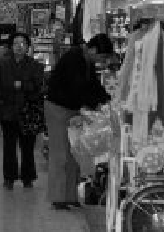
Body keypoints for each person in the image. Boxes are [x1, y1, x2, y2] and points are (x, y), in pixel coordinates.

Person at [45, 46, 110, 210]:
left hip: (72, 109)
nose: (101, 62)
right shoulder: (73, 59)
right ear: (93, 51)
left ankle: (70, 196)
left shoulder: (86, 62)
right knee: (60, 153)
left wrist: (106, 100)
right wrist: (96, 103)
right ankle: (58, 197)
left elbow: (93, 85)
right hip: (58, 108)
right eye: (101, 58)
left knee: (74, 152)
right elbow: (79, 87)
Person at [0, 32, 45, 189]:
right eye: (16, 43)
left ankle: (27, 177)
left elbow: (38, 87)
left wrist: (22, 85)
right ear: (11, 46)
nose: (19, 46)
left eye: (23, 43)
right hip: (8, 110)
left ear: (28, 47)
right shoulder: (2, 64)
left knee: (27, 146)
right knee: (9, 146)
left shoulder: (35, 66)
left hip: (28, 111)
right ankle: (9, 177)